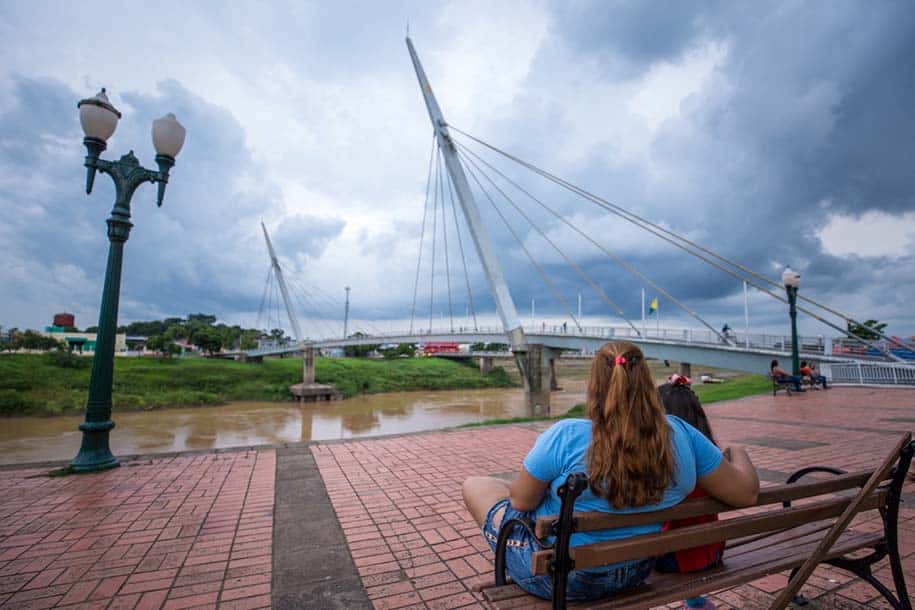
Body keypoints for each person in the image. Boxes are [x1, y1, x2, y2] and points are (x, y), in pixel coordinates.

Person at [461, 342, 760, 602]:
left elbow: (522, 503)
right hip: (635, 571)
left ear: (595, 384)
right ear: (646, 382)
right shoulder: (681, 434)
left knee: (477, 485)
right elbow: (746, 494)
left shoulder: (566, 435)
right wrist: (738, 452)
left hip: (563, 578)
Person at [657, 375, 724, 610]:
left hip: (673, 560)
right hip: (711, 553)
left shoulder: (663, 464)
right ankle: (696, 603)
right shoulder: (713, 458)